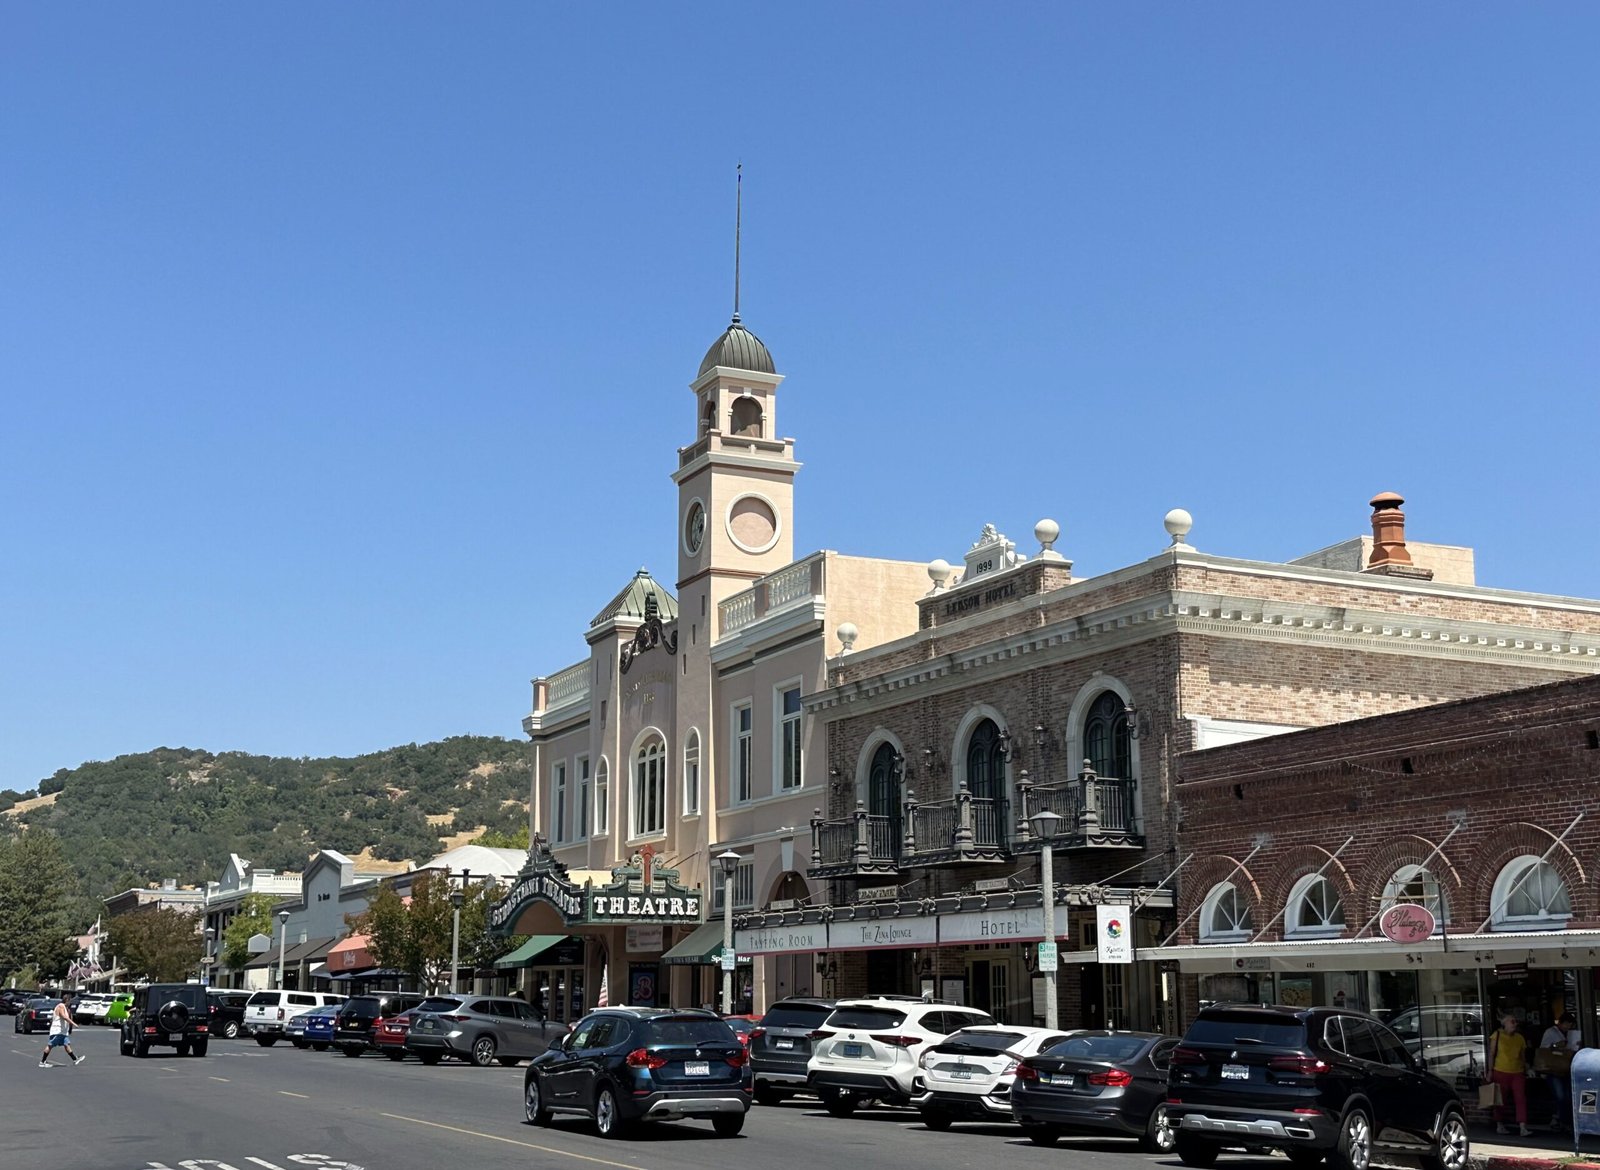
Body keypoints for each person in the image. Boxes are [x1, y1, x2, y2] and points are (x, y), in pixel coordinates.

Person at [1488, 1013, 1530, 1136]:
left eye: (1515, 1022)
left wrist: (1526, 1068)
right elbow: (1491, 1053)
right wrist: (1490, 1071)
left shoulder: (1520, 1038)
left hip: (1517, 1072)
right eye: (1512, 1021)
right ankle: (1499, 1124)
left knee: (1521, 1098)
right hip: (1500, 1070)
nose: (1515, 1024)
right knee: (1500, 1099)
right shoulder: (1497, 1035)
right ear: (1504, 1023)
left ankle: (1523, 1126)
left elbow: (1523, 1056)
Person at [1540, 1013, 1583, 1128]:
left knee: (1567, 1096)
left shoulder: (1569, 1033)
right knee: (1560, 1095)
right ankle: (1561, 1119)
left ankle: (1562, 1118)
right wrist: (1555, 1045)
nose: (1568, 1027)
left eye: (1570, 1025)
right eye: (1566, 1024)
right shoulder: (1550, 1032)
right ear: (1561, 1023)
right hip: (1553, 1069)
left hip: (1565, 1067)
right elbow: (1543, 1049)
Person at [39, 994, 85, 1068]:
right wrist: (73, 1023)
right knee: (50, 1045)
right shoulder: (61, 1006)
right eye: (69, 1001)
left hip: (62, 1031)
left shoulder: (65, 1007)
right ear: (67, 1000)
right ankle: (42, 1061)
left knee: (66, 1044)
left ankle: (75, 1059)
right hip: (58, 1030)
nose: (70, 1003)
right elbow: (64, 1016)